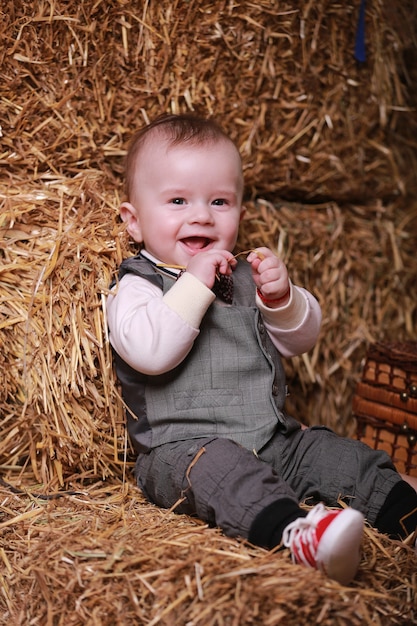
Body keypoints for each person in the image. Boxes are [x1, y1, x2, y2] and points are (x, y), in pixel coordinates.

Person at [107, 113, 417, 585]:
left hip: (272, 439)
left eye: (219, 201)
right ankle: (294, 534)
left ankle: (404, 514)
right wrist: (194, 282)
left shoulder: (248, 275)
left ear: (241, 213)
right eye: (177, 200)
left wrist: (283, 300)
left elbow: (301, 341)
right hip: (184, 452)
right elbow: (151, 353)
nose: (202, 215)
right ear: (134, 221)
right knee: (229, 478)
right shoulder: (139, 285)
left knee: (341, 456)